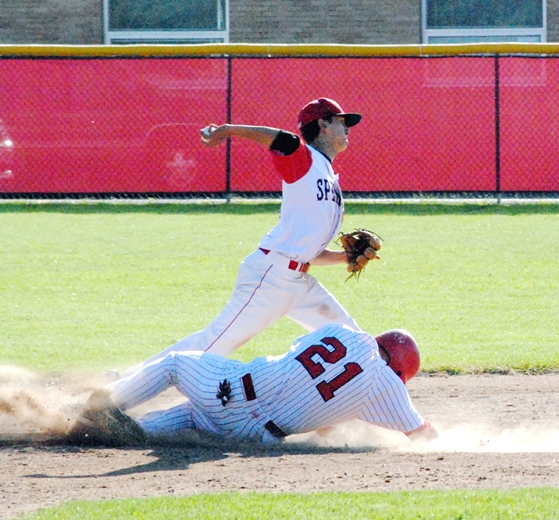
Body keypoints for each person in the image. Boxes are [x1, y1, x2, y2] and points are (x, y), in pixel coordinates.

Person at [113, 97, 377, 380]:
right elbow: (285, 140)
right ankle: (118, 386)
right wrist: (226, 130)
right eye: (341, 121)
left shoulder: (326, 174)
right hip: (271, 277)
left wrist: (342, 257)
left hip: (297, 281)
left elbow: (307, 251)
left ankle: (345, 412)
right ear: (323, 124)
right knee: (208, 349)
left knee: (354, 343)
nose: (348, 128)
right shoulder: (305, 161)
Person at [71, 325, 438, 447]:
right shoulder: (386, 390)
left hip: (235, 392)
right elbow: (421, 434)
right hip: (252, 434)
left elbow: (299, 357)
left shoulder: (344, 334)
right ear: (403, 371)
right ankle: (124, 433)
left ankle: (107, 405)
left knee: (175, 364)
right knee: (188, 415)